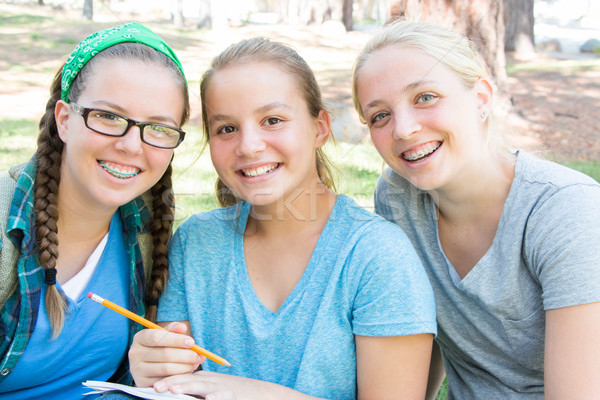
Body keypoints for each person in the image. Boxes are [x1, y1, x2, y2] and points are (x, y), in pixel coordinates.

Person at [127, 37, 436, 400]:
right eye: (226, 128)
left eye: (272, 120)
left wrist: (254, 393)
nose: (249, 146)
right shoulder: (195, 244)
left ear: (320, 127)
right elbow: (175, 386)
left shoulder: (376, 257)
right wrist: (152, 366)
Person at [352, 19, 600, 400]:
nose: (403, 129)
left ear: (481, 98)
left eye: (425, 97)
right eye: (380, 116)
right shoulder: (398, 197)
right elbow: (420, 329)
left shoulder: (566, 210)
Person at [0, 22, 189, 399]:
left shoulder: (150, 234)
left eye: (158, 128)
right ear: (65, 119)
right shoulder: (7, 223)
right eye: (108, 117)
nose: (132, 145)